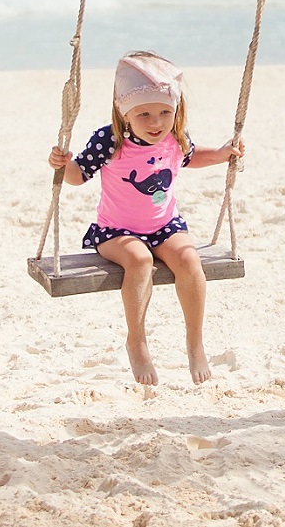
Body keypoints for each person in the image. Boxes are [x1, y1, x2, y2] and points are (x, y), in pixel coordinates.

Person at [47, 52, 243, 386]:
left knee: (188, 257)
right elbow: (79, 176)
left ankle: (195, 343)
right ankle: (136, 340)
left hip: (164, 226)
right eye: (144, 114)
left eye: (165, 112)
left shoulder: (175, 137)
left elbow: (191, 158)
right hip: (115, 232)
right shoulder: (110, 140)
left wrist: (223, 154)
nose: (156, 122)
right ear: (125, 115)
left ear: (176, 110)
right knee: (138, 260)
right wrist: (62, 165)